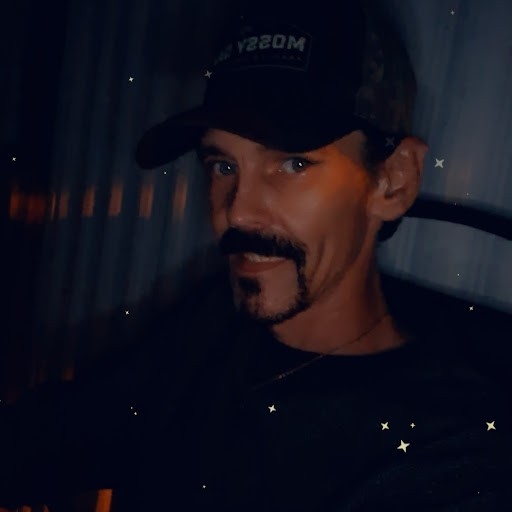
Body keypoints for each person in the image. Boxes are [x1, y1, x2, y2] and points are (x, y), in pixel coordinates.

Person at [1, 0, 510, 510]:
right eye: (223, 166)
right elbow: (47, 441)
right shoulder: (209, 328)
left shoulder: (450, 449)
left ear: (394, 181)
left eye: (293, 164)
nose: (237, 213)